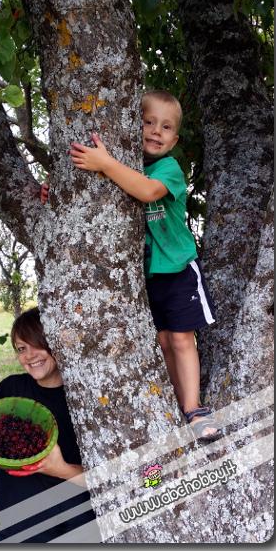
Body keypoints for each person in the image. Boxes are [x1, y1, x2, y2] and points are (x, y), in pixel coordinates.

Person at [68, 89, 219, 440]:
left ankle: (195, 408)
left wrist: (105, 163)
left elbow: (148, 192)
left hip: (178, 269)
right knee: (163, 342)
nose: (155, 131)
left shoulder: (169, 168)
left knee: (182, 339)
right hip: (147, 277)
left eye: (165, 127)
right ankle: (179, 402)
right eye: (147, 122)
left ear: (175, 138)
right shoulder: (129, 165)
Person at [0, 307, 98, 543]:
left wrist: (62, 470)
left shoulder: (86, 397)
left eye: (38, 343)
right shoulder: (11, 392)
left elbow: (111, 480)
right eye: (21, 348)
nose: (29, 355)